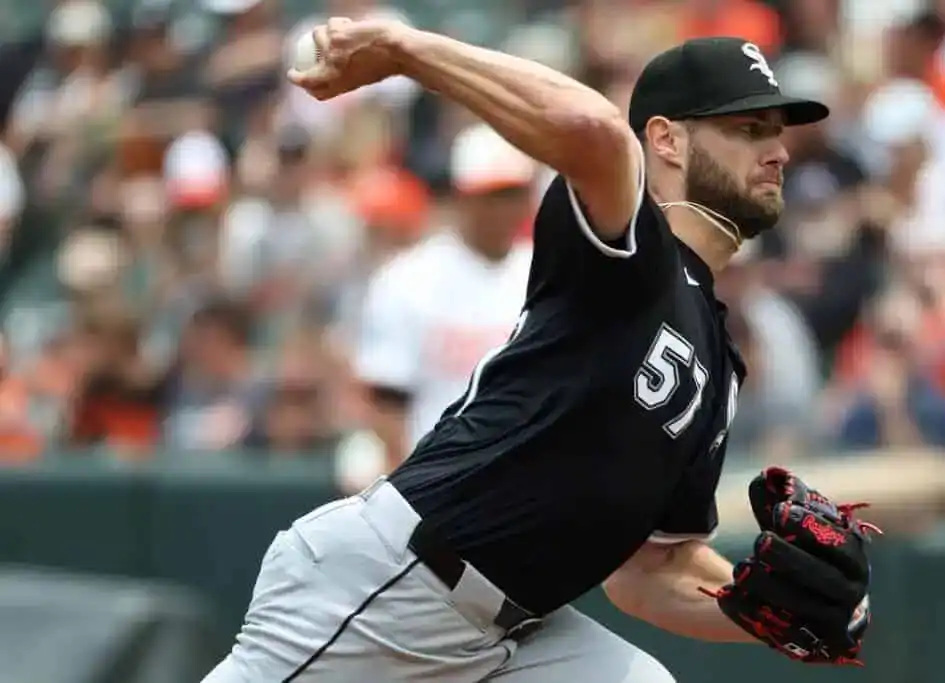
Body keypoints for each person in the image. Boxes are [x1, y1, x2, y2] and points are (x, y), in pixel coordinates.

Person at [203, 21, 875, 683]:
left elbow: (651, 574)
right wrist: (406, 49)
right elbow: (594, 131)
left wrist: (771, 610)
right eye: (747, 128)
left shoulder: (718, 363)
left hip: (512, 633)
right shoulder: (631, 249)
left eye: (776, 131)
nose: (778, 150)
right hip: (395, 585)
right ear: (666, 139)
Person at [352, 122, 535, 473]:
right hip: (439, 478)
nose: (504, 208)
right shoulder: (407, 279)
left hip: (526, 480)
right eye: (493, 194)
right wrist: (413, 486)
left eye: (513, 193)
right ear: (461, 197)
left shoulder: (546, 274)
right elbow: (386, 403)